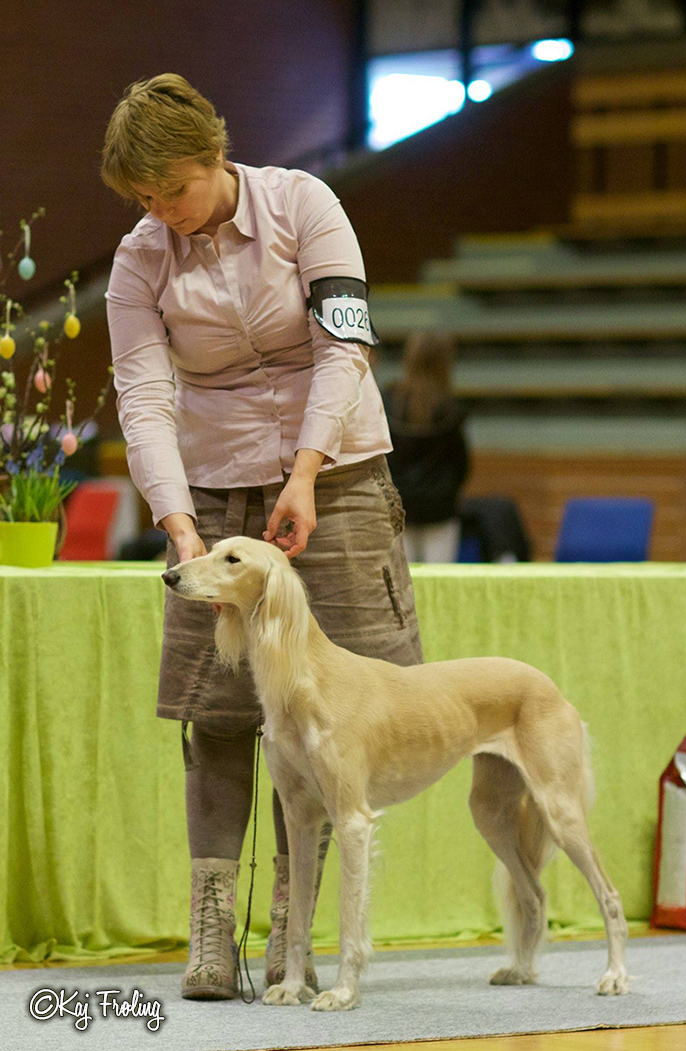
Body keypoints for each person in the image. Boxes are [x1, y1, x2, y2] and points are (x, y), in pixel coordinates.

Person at [100, 73, 423, 1001]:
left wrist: (310, 470)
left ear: (215, 155)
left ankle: (293, 929)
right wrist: (177, 524)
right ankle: (212, 933)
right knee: (219, 715)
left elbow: (344, 346)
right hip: (213, 497)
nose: (161, 213)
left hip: (341, 477)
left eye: (174, 190)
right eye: (142, 200)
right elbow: (145, 397)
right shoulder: (139, 258)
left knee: (332, 715)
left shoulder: (304, 203)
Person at [382, 333, 469, 563]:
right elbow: (461, 465)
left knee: (404, 584)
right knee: (440, 584)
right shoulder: (451, 408)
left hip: (398, 506)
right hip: (440, 511)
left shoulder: (388, 401)